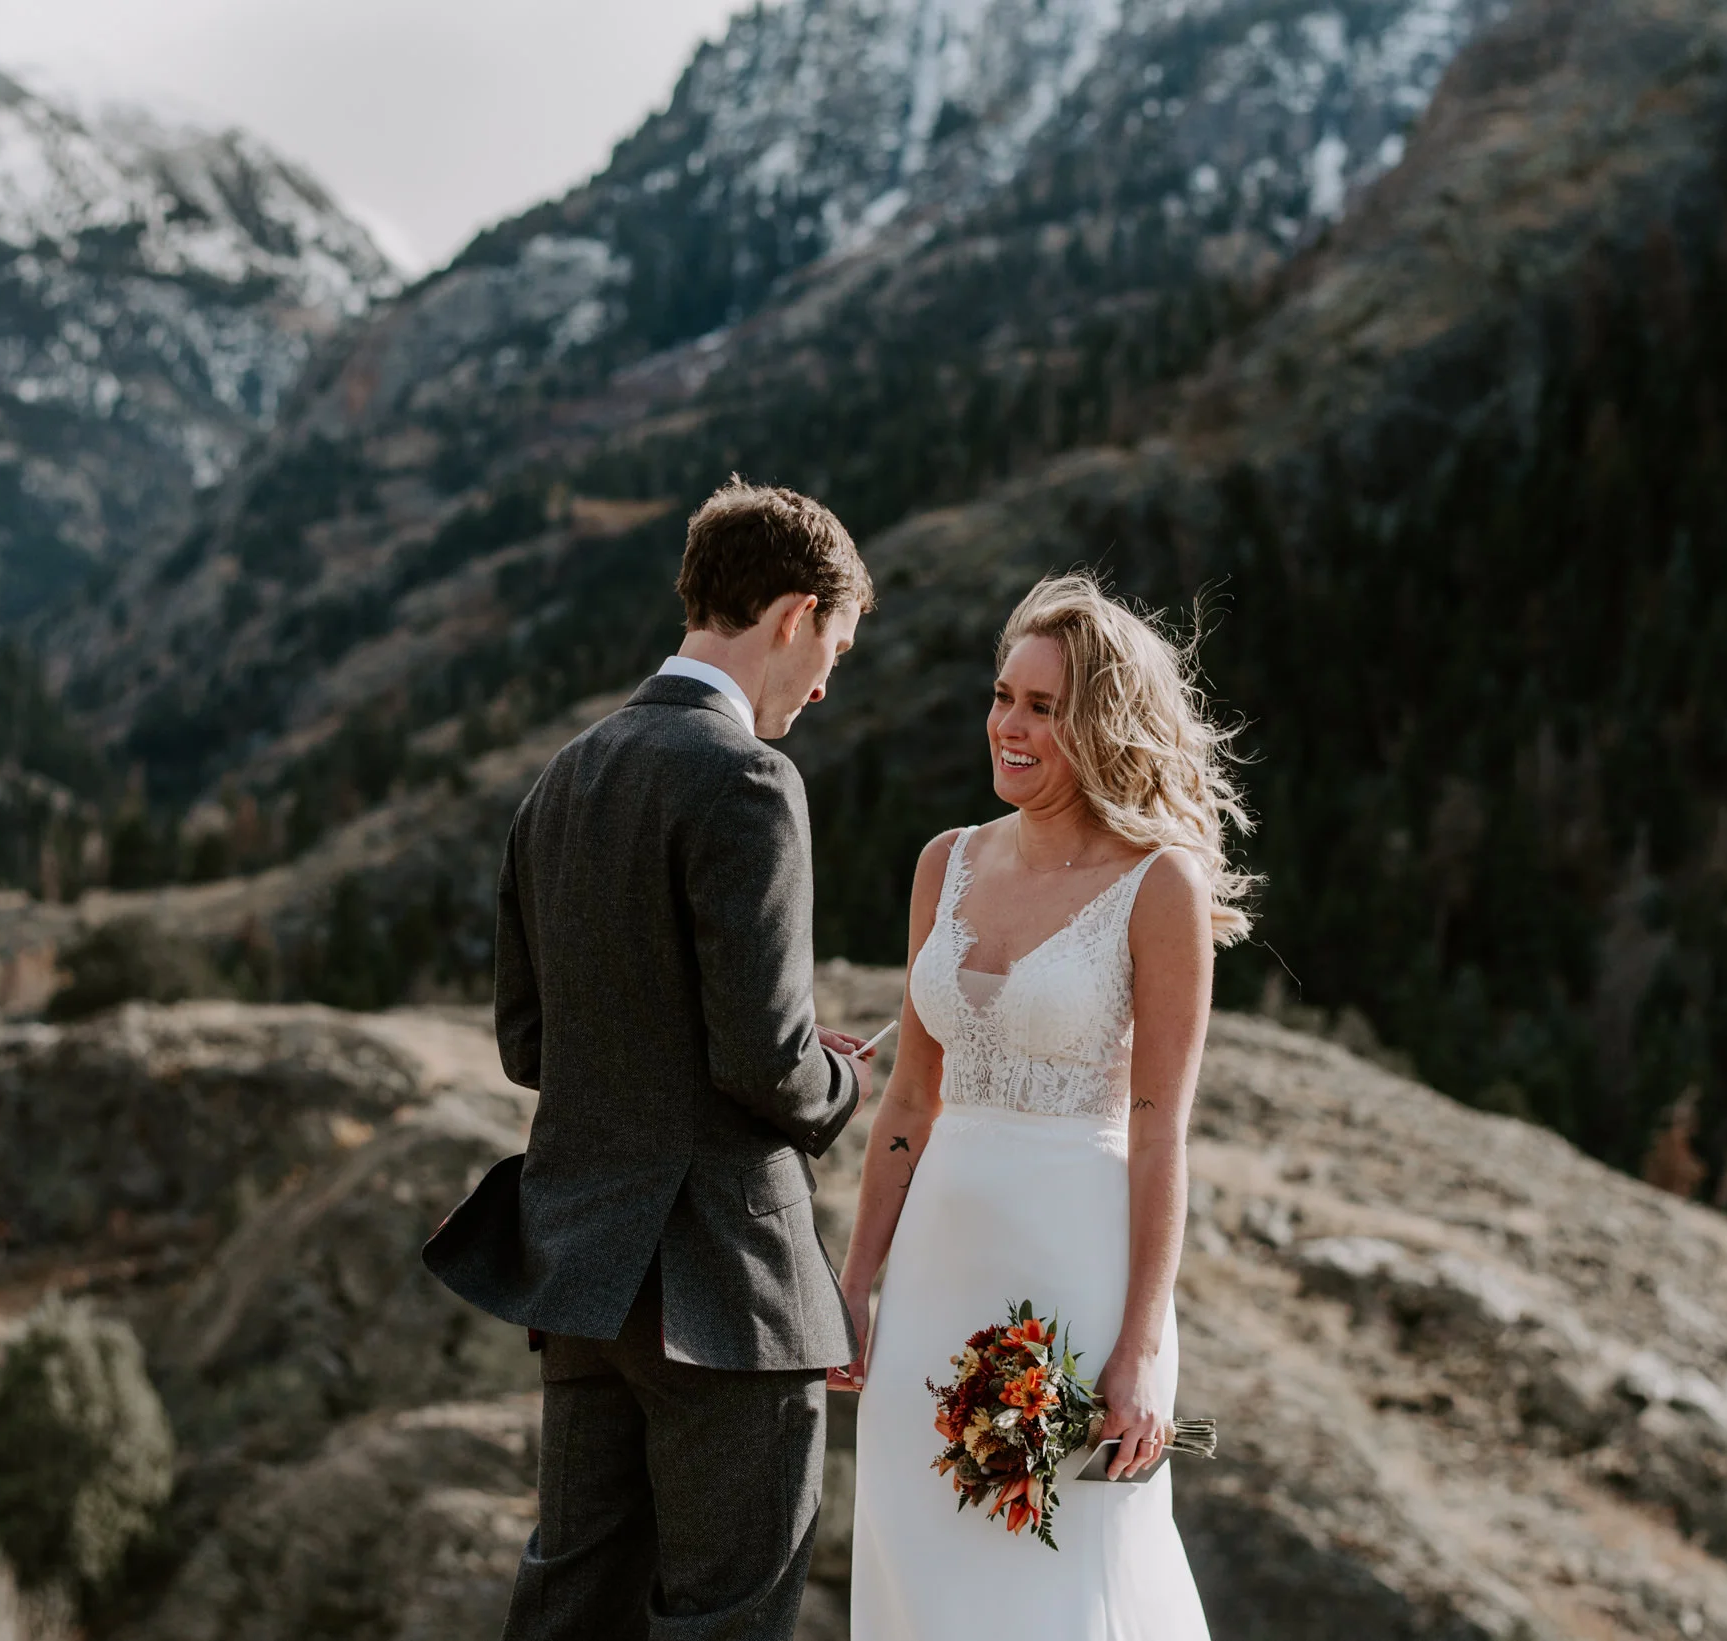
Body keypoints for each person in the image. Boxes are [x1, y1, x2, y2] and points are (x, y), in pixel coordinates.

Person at [424, 477, 879, 1641]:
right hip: (726, 1284)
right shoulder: (747, 780)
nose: (826, 682)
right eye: (830, 643)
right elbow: (766, 1062)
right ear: (791, 615)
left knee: (571, 1608)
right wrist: (840, 1083)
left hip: (580, 1274)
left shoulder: (557, 781)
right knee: (728, 1618)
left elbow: (530, 1044)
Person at [838, 573, 1254, 1640]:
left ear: (1103, 724)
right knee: (919, 1573)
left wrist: (1138, 1349)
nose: (1008, 726)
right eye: (1002, 696)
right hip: (931, 1276)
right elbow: (910, 1097)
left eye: (1043, 707)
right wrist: (852, 1283)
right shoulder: (948, 862)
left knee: (1059, 1589)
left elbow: (1164, 1132)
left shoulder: (1158, 885)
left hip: (1072, 1276)